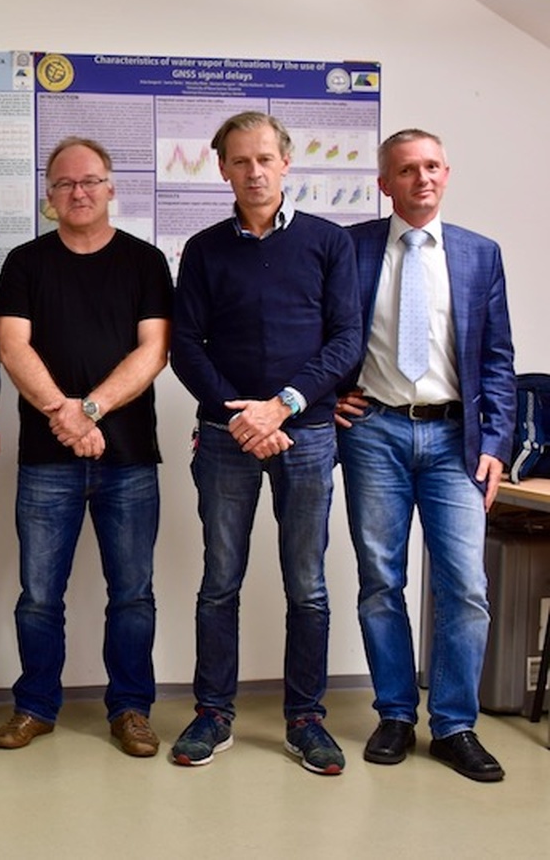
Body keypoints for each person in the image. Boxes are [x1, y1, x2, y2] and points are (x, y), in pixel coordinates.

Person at [168, 111, 361, 775]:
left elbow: (345, 341)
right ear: (222, 168)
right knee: (220, 580)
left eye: (265, 159)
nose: (254, 171)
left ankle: (306, 717)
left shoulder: (328, 243)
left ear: (286, 164)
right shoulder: (203, 248)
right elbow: (184, 345)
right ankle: (214, 711)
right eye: (240, 161)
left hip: (306, 437)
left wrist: (281, 407)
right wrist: (242, 416)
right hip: (226, 439)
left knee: (306, 584)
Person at [335, 129, 515, 782]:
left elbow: (497, 359)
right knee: (382, 580)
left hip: (454, 441)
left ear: (447, 171)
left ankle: (455, 724)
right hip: (374, 432)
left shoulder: (477, 254)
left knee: (464, 586)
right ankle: (394, 713)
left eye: (432, 166)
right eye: (406, 170)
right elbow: (320, 335)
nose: (422, 178)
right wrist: (327, 396)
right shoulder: (348, 247)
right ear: (384, 182)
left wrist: (496, 443)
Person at [0, 137, 172, 757]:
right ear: (49, 195)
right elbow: (13, 347)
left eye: (90, 181)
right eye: (65, 184)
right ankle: (36, 706)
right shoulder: (24, 263)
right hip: (46, 463)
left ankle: (130, 709)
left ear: (111, 186)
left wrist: (88, 409)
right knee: (40, 596)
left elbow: (154, 351)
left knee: (133, 594)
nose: (78, 192)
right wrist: (63, 417)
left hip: (129, 459)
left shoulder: (146, 262)